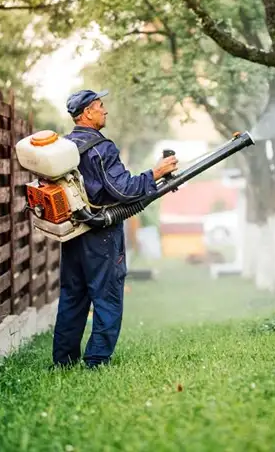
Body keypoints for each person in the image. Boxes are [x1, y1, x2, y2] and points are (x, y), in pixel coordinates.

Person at [51, 89, 178, 370]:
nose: (105, 110)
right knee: (107, 295)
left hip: (73, 233)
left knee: (73, 295)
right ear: (86, 113)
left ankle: (63, 360)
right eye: (100, 105)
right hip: (101, 234)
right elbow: (123, 190)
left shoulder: (65, 148)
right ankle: (96, 361)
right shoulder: (101, 147)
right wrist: (155, 173)